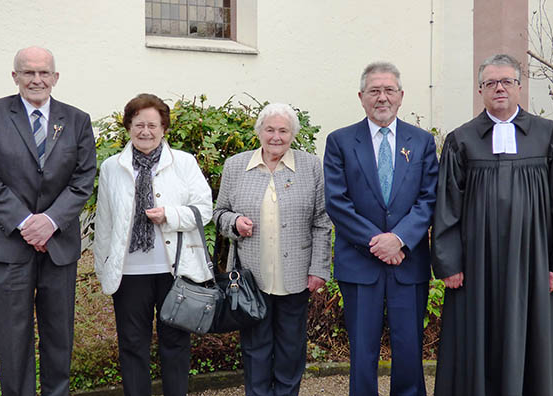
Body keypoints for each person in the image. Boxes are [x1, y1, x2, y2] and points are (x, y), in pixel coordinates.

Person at [432, 54, 553, 395]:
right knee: (476, 338)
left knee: (534, 338)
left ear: (518, 86)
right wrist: (449, 262)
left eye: (506, 82)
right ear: (480, 89)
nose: (499, 88)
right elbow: (447, 207)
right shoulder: (461, 141)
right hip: (476, 265)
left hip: (534, 260)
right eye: (490, 83)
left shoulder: (549, 136)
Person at [0, 46, 97, 396]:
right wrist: (24, 222)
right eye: (28, 72)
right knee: (12, 337)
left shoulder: (76, 120)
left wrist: (50, 221)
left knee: (58, 335)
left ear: (55, 77)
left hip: (57, 246)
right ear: (14, 76)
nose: (36, 79)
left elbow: (83, 179)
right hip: (6, 245)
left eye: (44, 72)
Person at [324, 62, 439, 396]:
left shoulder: (422, 142)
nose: (382, 97)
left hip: (408, 261)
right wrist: (378, 243)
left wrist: (400, 240)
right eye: (374, 90)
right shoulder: (340, 141)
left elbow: (429, 198)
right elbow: (337, 202)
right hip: (360, 264)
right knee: (362, 352)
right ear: (361, 97)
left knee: (408, 349)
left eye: (389, 90)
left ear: (401, 96)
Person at [93, 93, 213, 396]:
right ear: (128, 126)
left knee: (175, 343)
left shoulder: (184, 163)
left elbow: (204, 209)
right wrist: (102, 268)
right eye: (139, 125)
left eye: (153, 125)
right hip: (129, 272)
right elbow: (105, 221)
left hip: (175, 271)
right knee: (132, 345)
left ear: (164, 128)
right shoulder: (111, 167)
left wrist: (170, 215)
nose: (145, 132)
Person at [213, 103, 332, 396]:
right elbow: (219, 214)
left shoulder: (311, 166)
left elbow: (322, 221)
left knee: (291, 348)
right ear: (259, 132)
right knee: (255, 347)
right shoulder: (236, 165)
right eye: (270, 129)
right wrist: (235, 222)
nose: (276, 136)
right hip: (251, 278)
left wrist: (319, 268)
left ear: (292, 134)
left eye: (283, 130)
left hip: (296, 276)